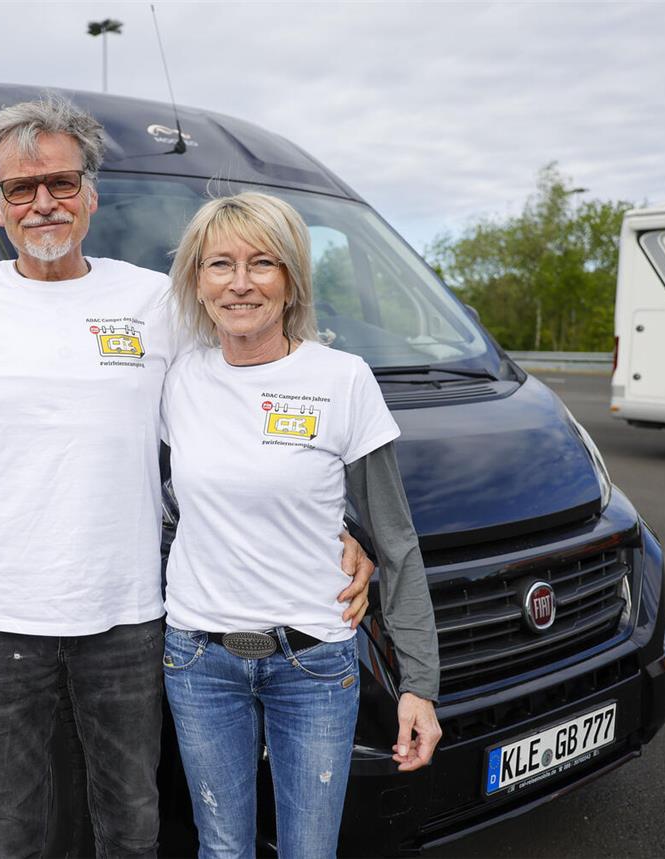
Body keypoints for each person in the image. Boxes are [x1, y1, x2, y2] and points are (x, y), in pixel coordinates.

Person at [0, 97, 374, 857]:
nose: (42, 204)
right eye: (19, 189)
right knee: (15, 830)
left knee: (133, 825)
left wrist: (340, 526)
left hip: (128, 621)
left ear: (92, 193)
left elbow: (243, 405)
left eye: (61, 183)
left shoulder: (152, 302)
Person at [161, 192, 442, 858]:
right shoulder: (176, 378)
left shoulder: (341, 379)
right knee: (221, 848)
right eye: (219, 264)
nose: (240, 282)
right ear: (197, 283)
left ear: (291, 281)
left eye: (262, 262)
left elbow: (396, 541)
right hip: (199, 657)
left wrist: (420, 686)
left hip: (314, 661)